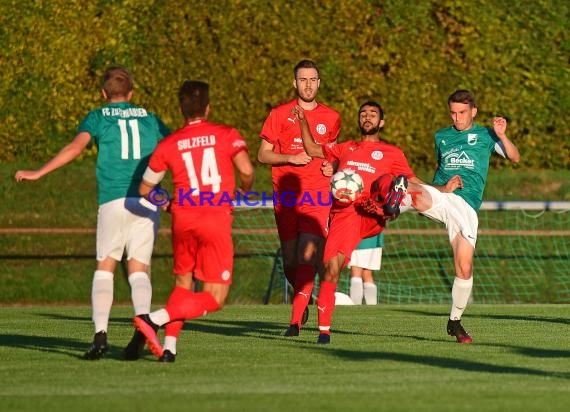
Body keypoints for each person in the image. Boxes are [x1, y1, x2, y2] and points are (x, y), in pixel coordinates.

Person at [14, 66, 170, 360]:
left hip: (113, 199)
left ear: (103, 93)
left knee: (105, 267)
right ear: (132, 93)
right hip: (147, 201)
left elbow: (75, 147)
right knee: (138, 270)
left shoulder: (98, 116)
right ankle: (143, 326)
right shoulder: (149, 118)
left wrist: (39, 172)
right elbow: (174, 149)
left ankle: (100, 335)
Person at [132, 80, 254, 362]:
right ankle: (154, 319)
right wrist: (243, 191)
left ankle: (170, 348)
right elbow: (247, 171)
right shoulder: (225, 134)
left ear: (181, 109)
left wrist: (169, 204)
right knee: (215, 299)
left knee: (183, 284)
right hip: (215, 220)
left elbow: (145, 189)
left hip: (183, 220)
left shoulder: (169, 144)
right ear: (208, 108)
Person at [294, 100, 418, 344]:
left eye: (373, 114)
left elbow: (414, 180)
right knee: (330, 270)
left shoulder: (392, 152)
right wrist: (302, 120)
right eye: (363, 114)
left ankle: (391, 199)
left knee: (386, 180)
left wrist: (442, 189)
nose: (367, 117)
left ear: (381, 122)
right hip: (346, 215)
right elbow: (311, 148)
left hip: (373, 210)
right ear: (359, 120)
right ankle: (324, 332)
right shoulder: (345, 148)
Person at [406, 89, 520, 343]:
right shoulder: (442, 137)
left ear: (473, 112)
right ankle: (384, 209)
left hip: (466, 207)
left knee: (464, 268)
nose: (456, 118)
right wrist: (441, 189)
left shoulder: (486, 135)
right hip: (442, 196)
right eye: (453, 113)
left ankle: (454, 322)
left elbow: (515, 157)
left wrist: (502, 135)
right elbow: (439, 171)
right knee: (406, 186)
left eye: (462, 113)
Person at [258, 59, 341, 336]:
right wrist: (289, 158)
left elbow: (332, 155)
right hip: (286, 195)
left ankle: (294, 322)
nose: (308, 85)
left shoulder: (331, 117)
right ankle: (301, 297)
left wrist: (333, 166)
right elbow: (262, 154)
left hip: (317, 195)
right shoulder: (279, 114)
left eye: (313, 80)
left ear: (319, 83)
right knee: (291, 260)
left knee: (307, 253)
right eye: (303, 80)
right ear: (295, 83)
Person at [349, 233, 384, 305]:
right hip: (375, 240)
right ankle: (372, 307)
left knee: (356, 271)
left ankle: (355, 306)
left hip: (360, 239)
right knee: (367, 274)